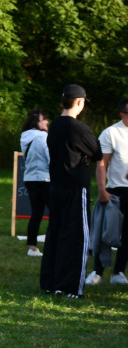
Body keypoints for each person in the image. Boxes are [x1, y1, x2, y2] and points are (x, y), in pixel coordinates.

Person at [40, 84, 102, 297]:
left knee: (55, 235)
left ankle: (52, 283)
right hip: (76, 188)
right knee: (77, 237)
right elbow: (97, 152)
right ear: (80, 102)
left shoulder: (55, 125)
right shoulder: (79, 128)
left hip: (56, 186)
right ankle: (72, 287)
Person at [86, 98, 128, 285]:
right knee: (106, 233)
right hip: (116, 190)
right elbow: (102, 163)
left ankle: (118, 272)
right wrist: (102, 189)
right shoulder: (111, 133)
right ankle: (97, 271)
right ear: (122, 114)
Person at [20, 109, 50, 257]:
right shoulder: (43, 137)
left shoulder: (24, 137)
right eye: (44, 119)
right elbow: (51, 158)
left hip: (30, 178)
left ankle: (32, 247)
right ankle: (53, 243)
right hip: (45, 178)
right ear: (37, 122)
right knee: (56, 213)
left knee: (36, 214)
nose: (47, 122)